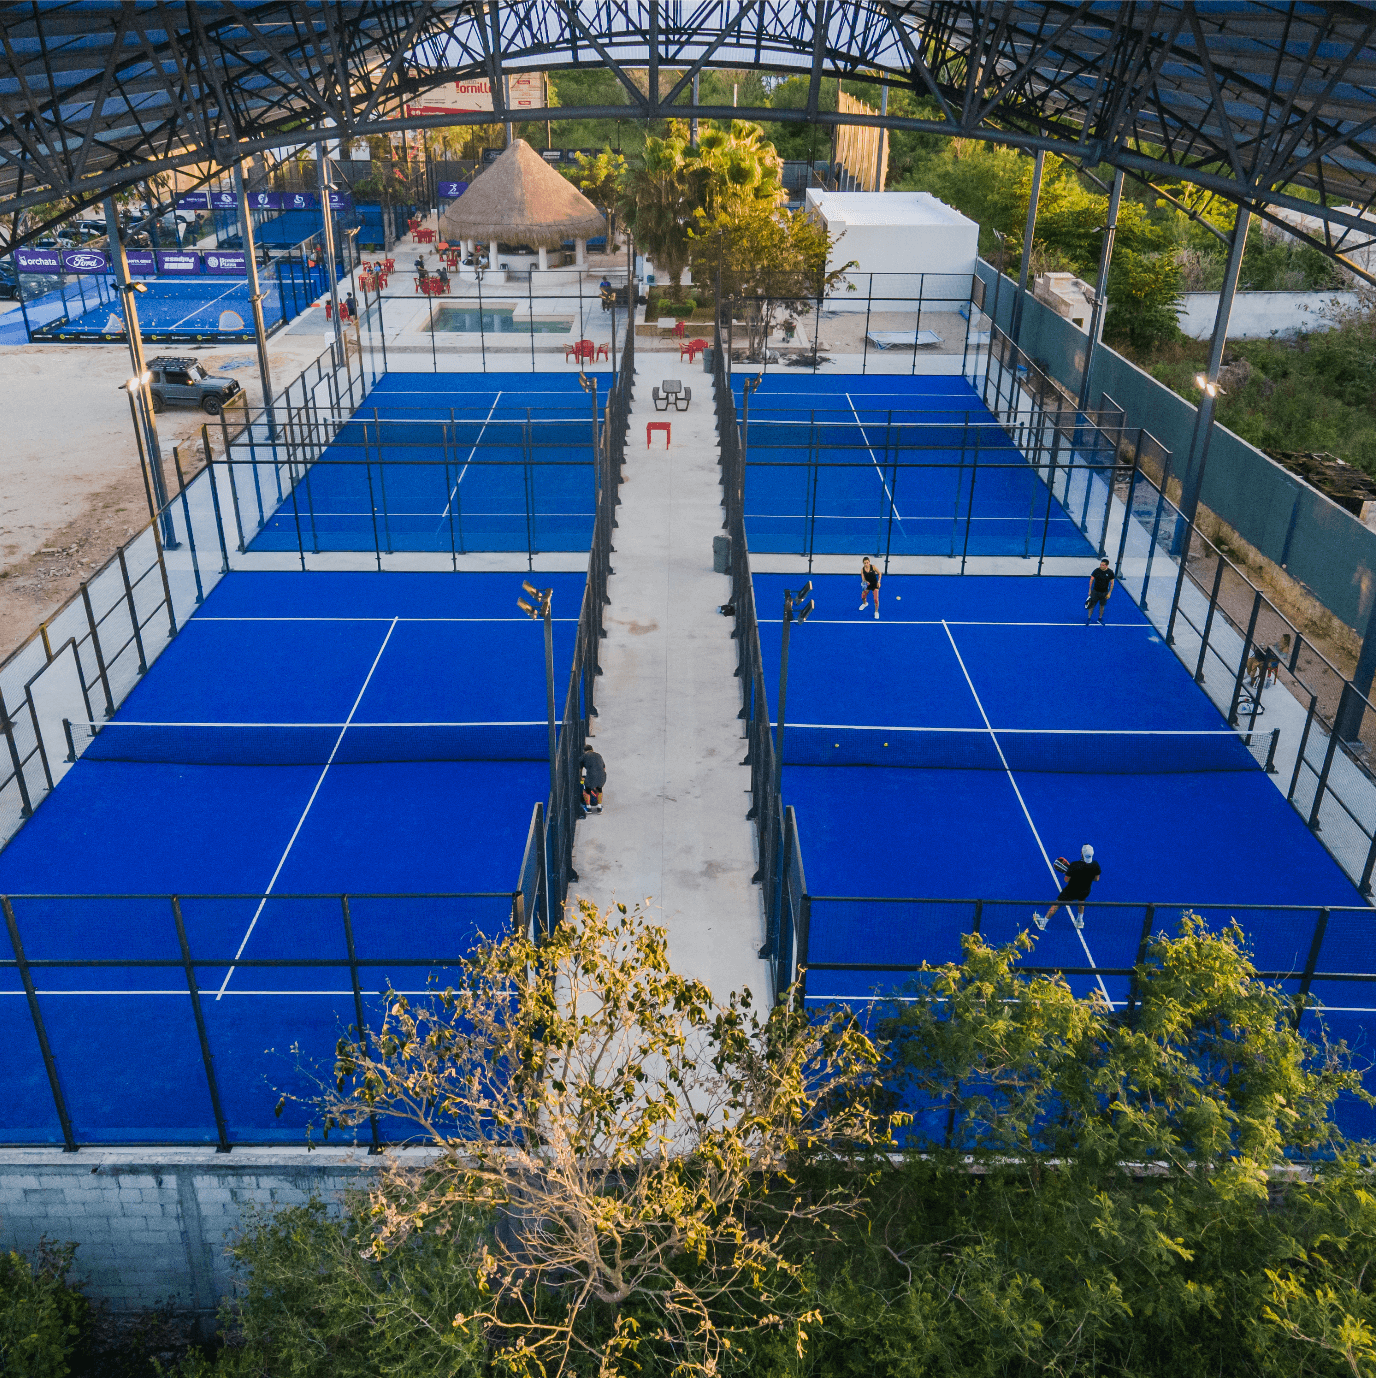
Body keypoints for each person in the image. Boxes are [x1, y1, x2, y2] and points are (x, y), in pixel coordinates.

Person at [1034, 845, 1101, 930]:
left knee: (1057, 904)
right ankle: (1080, 922)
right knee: (1081, 902)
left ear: (1082, 854)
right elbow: (1096, 878)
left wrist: (1071, 874)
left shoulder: (1074, 865)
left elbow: (1066, 880)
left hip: (1071, 891)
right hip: (1085, 890)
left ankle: (1043, 923)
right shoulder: (1095, 865)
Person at [1085, 558, 1115, 624]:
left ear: (1106, 566)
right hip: (1095, 592)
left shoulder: (1110, 572)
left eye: (1103, 565)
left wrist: (1109, 593)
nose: (1101, 566)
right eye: (1101, 564)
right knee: (1091, 606)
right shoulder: (1096, 571)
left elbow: (1112, 583)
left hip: (1104, 593)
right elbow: (1091, 580)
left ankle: (1100, 619)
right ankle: (1089, 618)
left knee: (1102, 606)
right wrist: (1090, 590)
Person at [581, 742, 606, 814]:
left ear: (585, 751)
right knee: (599, 789)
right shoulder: (599, 755)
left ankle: (588, 807)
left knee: (586, 790)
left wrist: (581, 778)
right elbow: (604, 767)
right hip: (602, 776)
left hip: (591, 776)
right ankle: (599, 807)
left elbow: (580, 768)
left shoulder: (584, 756)